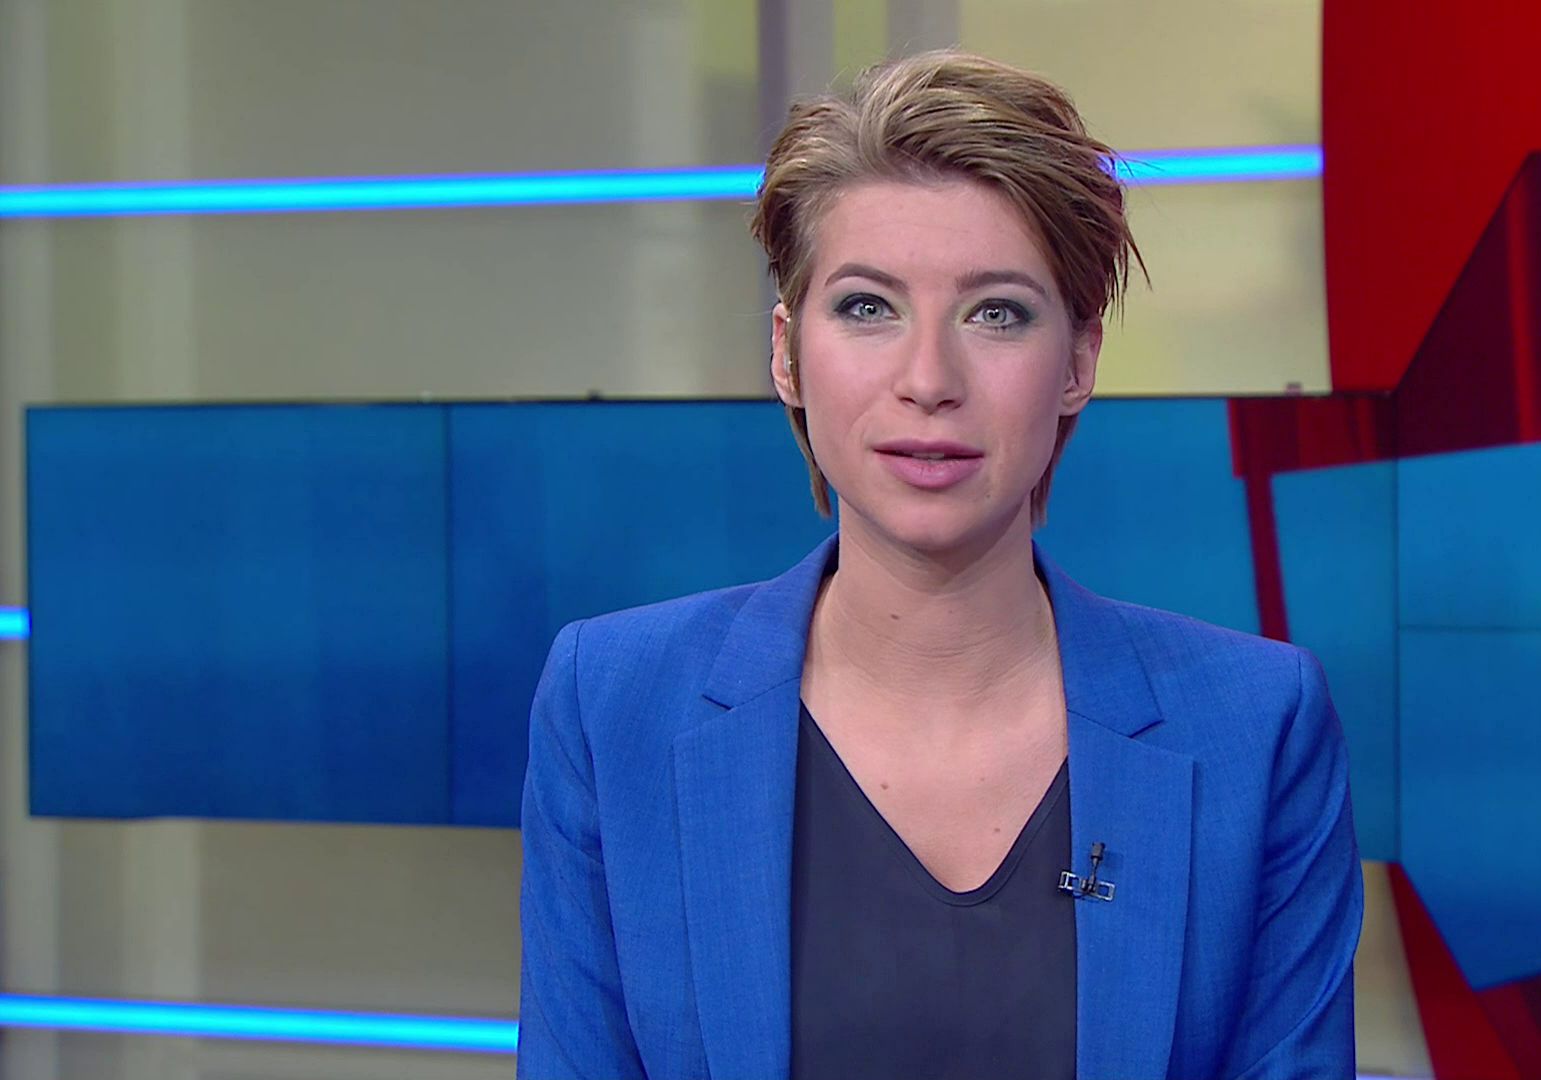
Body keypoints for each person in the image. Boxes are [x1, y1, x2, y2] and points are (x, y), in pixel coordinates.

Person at [517, 48, 1362, 1080]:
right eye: (867, 306)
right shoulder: (612, 704)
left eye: (996, 312)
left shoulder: (1259, 726)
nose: (929, 379)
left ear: (1078, 361)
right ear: (786, 353)